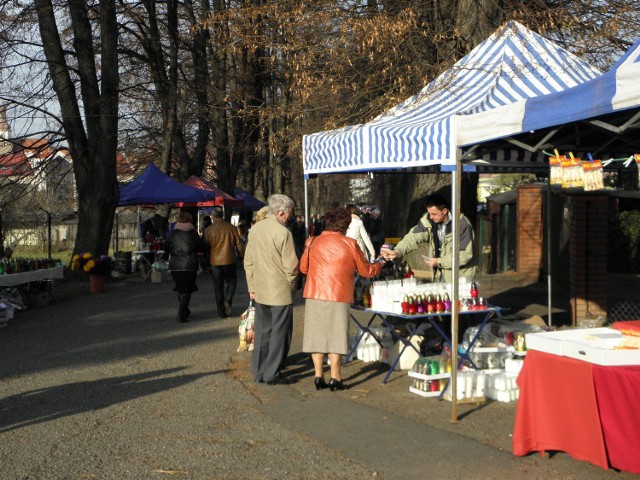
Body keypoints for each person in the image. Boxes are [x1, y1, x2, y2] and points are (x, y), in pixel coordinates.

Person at [300, 207, 383, 391]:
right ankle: (335, 377)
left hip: (314, 293)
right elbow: (366, 271)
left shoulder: (312, 242)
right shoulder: (350, 244)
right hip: (339, 294)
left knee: (316, 336)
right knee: (336, 337)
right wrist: (381, 263)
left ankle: (318, 375)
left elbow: (303, 269)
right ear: (344, 225)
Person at [243, 194, 299, 385]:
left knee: (263, 332)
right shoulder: (283, 232)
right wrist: (291, 285)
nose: (290, 216)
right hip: (279, 291)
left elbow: (248, 262)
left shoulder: (255, 229)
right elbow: (291, 267)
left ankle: (259, 371)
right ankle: (272, 373)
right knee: (279, 333)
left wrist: (252, 286)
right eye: (289, 212)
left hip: (260, 289)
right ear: (282, 212)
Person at [382, 194, 476, 283]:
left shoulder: (462, 225)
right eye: (429, 213)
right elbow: (412, 237)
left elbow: (465, 255)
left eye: (434, 214)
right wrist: (397, 251)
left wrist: (439, 261)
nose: (431, 217)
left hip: (461, 277)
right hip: (440, 274)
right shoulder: (428, 221)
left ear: (444, 211)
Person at [203, 208, 244, 318]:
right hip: (229, 259)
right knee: (232, 281)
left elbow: (206, 248)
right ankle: (228, 299)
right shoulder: (231, 228)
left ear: (213, 216)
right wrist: (242, 256)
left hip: (215, 261)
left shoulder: (208, 230)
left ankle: (221, 311)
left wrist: (206, 262)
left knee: (218, 286)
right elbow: (239, 244)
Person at [164, 211, 202, 323]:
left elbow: (166, 247)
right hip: (190, 264)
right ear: (189, 220)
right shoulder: (193, 233)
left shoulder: (172, 233)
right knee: (187, 290)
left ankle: (185, 310)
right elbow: (200, 246)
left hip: (175, 264)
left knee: (180, 288)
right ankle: (181, 313)